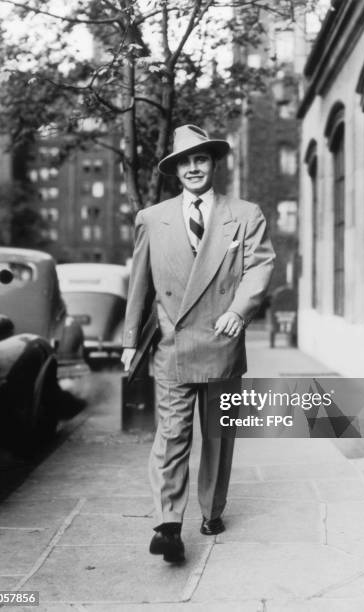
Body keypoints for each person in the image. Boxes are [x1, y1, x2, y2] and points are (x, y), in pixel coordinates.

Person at [121, 124, 275, 562]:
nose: (193, 167)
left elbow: (259, 268)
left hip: (223, 340)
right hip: (171, 344)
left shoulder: (245, 214)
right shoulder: (152, 218)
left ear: (213, 163)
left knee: (219, 435)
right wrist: (132, 339)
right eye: (185, 161)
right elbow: (140, 285)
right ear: (175, 170)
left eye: (201, 159)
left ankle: (211, 510)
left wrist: (238, 311)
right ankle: (168, 525)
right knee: (170, 436)